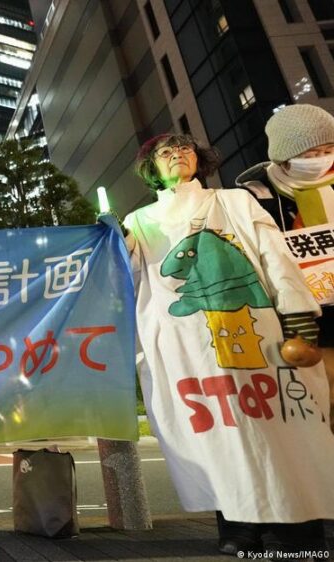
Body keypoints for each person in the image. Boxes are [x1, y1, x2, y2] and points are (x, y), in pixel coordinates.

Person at [125, 133, 334, 556]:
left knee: (282, 428)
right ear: (152, 169)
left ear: (199, 160)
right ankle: (239, 526)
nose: (177, 155)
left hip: (261, 335)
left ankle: (300, 529)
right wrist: (112, 240)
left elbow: (275, 254)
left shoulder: (235, 202)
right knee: (221, 436)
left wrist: (295, 309)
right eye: (166, 152)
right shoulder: (139, 220)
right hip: (188, 351)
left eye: (184, 148)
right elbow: (125, 279)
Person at [235, 103, 334, 406]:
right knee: (323, 403)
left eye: (328, 149)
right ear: (282, 157)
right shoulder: (256, 197)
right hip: (307, 323)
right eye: (308, 155)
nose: (320, 159)